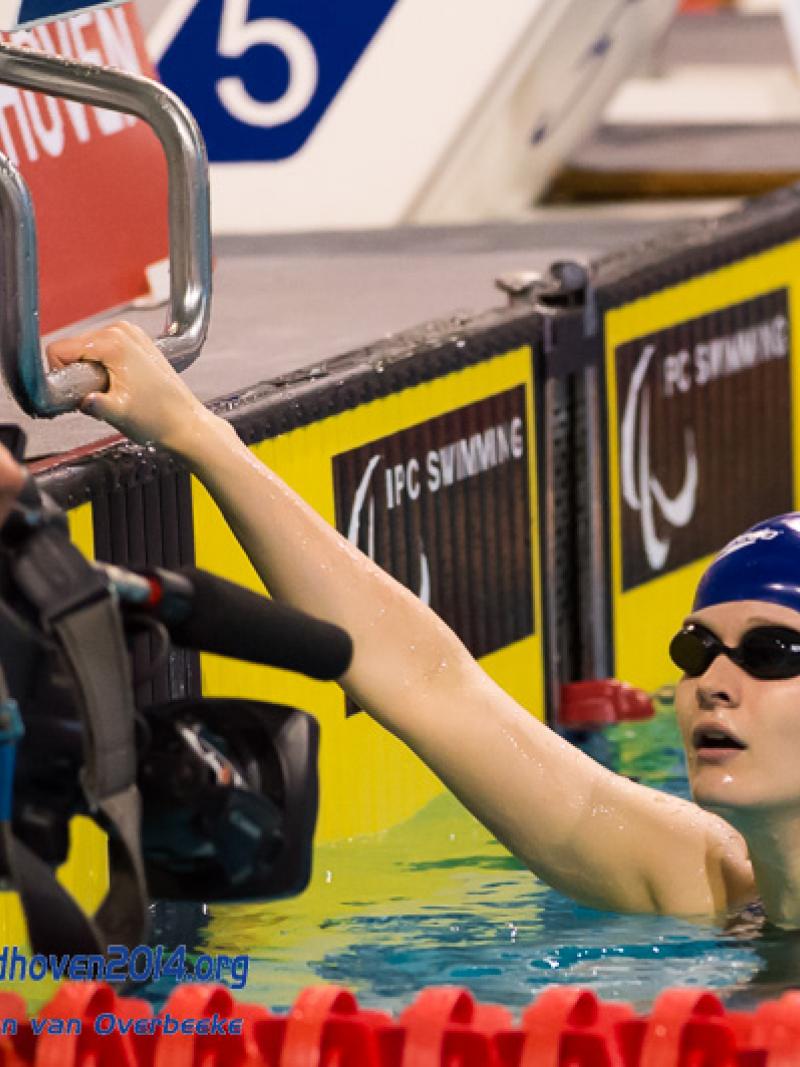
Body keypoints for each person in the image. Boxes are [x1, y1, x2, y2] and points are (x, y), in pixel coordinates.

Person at [41, 321, 795, 926]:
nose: (713, 684)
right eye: (697, 650)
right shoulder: (705, 884)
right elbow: (431, 685)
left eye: (771, 652)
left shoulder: (700, 885)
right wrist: (194, 431)